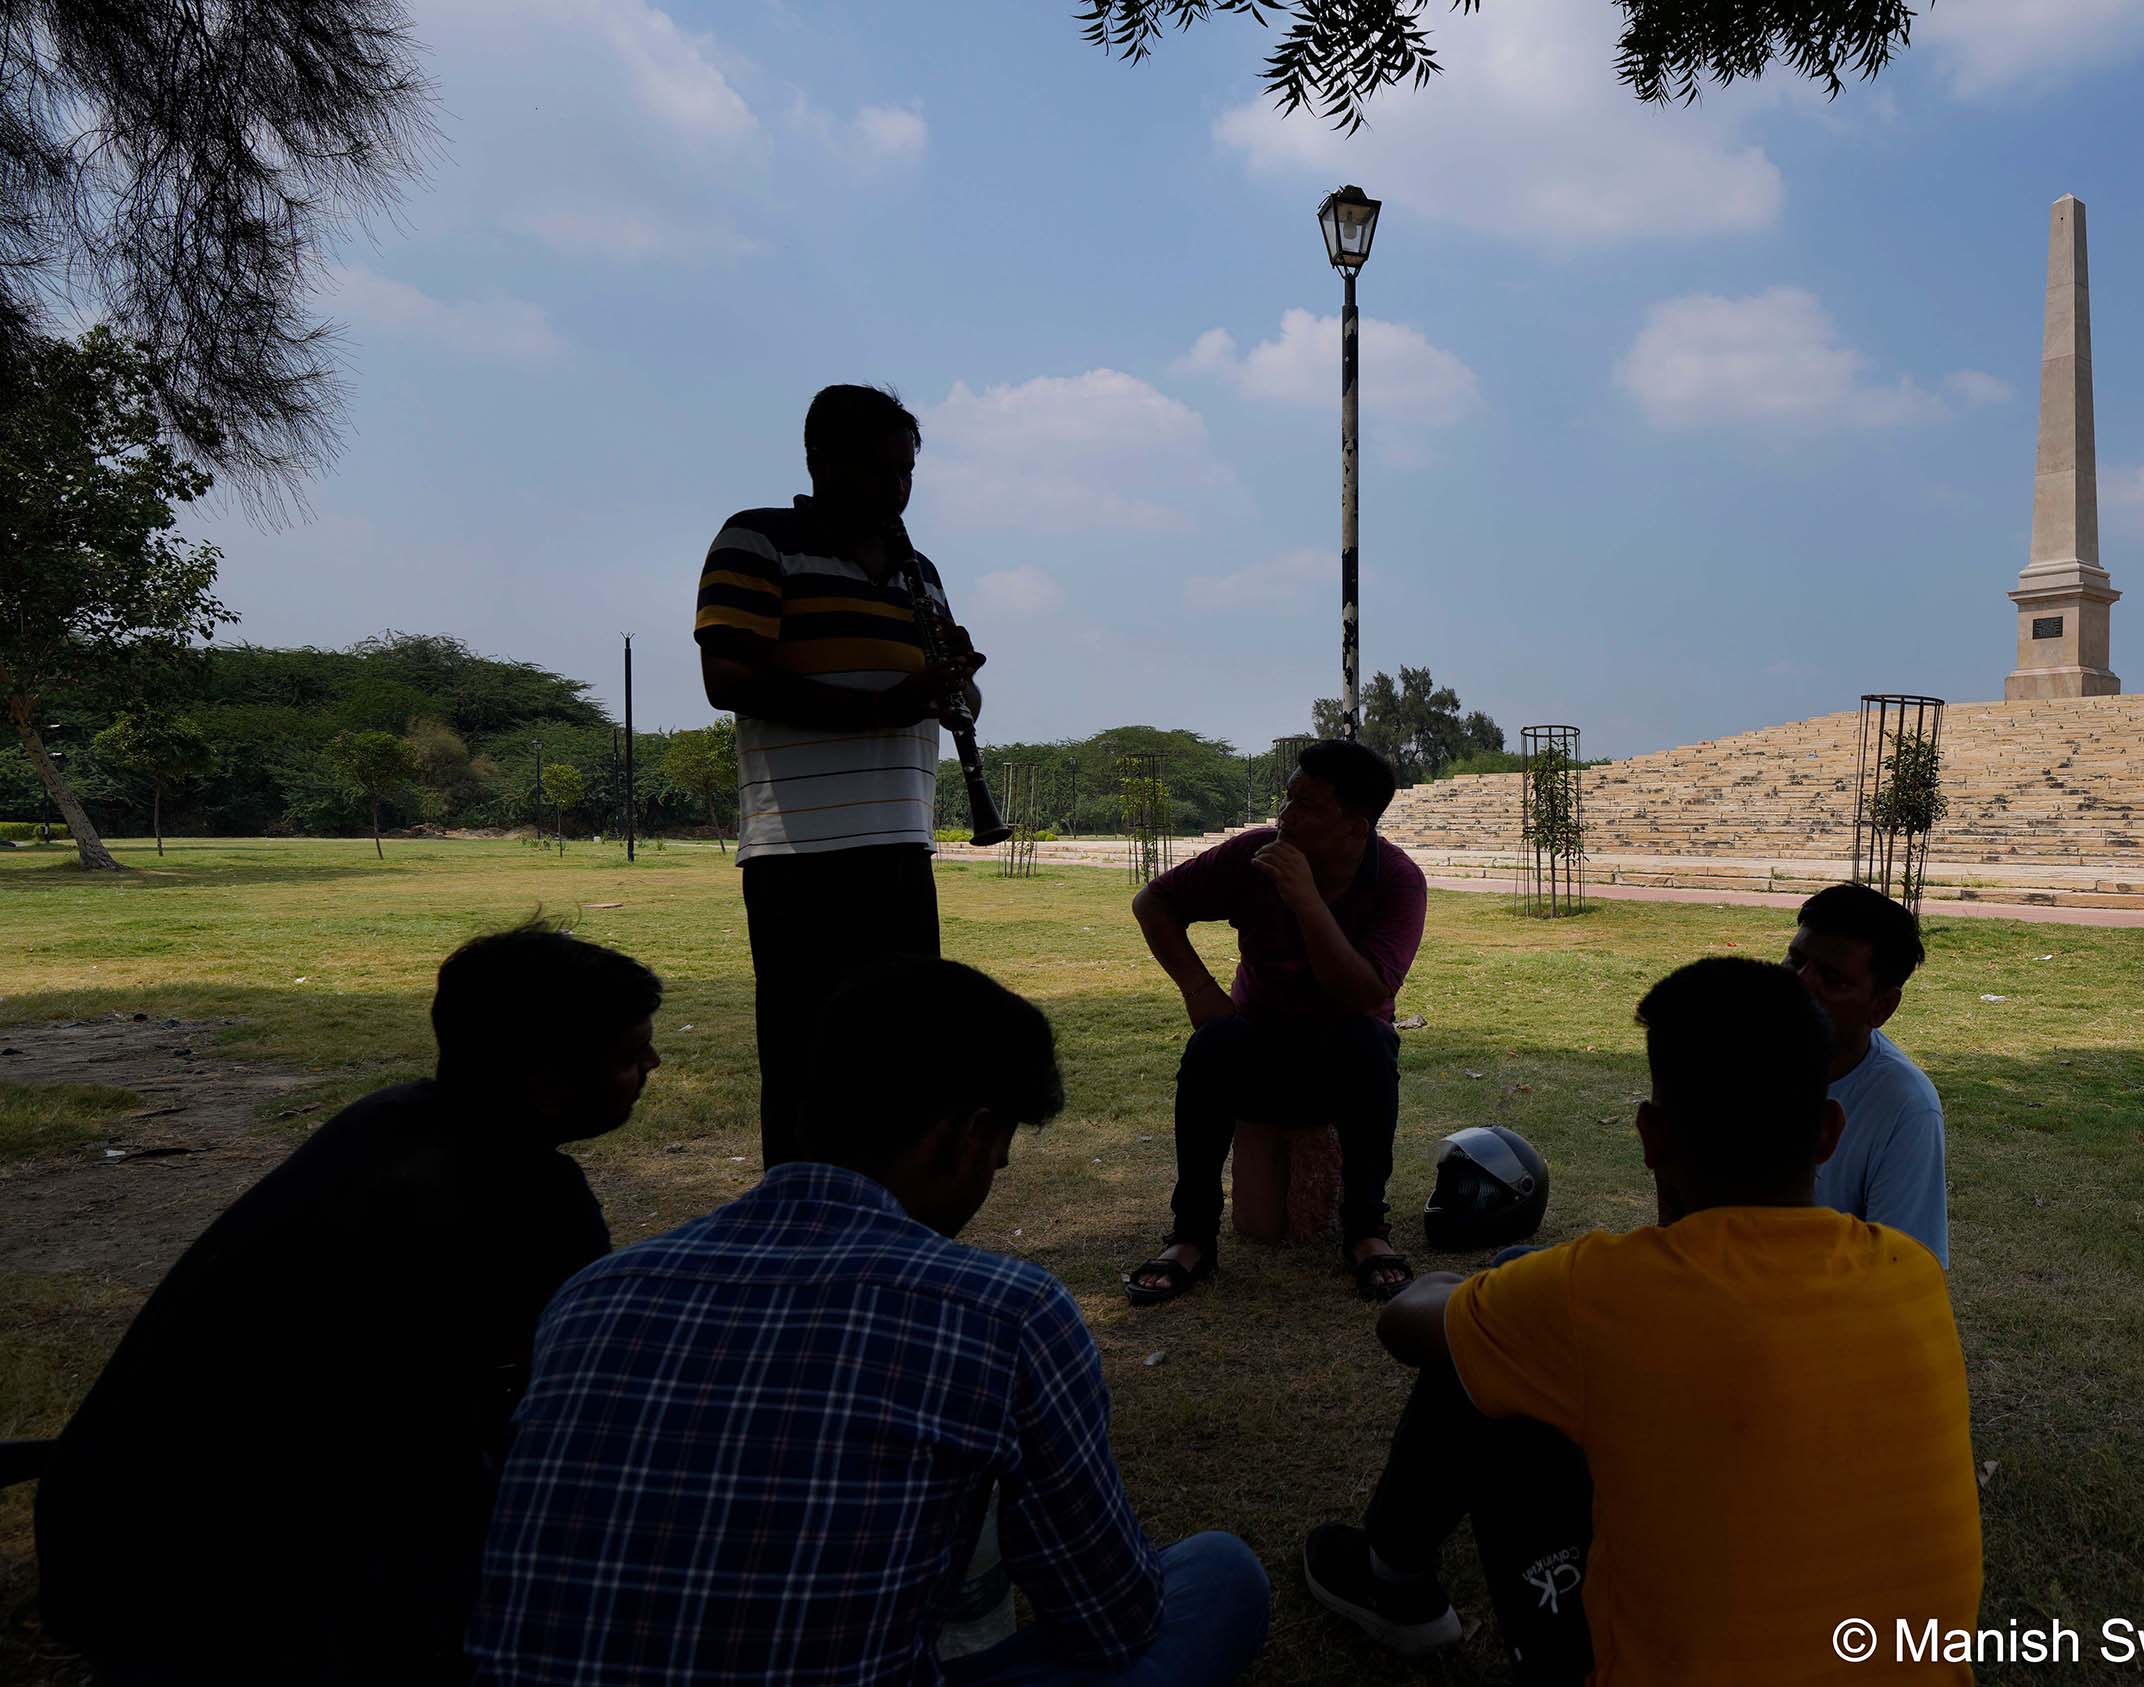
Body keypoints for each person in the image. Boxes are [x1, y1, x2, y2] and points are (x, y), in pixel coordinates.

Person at [471, 959, 1269, 1687]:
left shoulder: (593, 1294)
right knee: (1221, 1574)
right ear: (967, 1138)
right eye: (1000, 1156)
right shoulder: (1004, 1310)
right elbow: (1110, 1620)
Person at [1302, 957, 1983, 1685]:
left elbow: (1404, 1322)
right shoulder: (1911, 1273)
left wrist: (1498, 1284)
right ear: (1827, 1132)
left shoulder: (1602, 1289)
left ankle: (1394, 1580)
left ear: (1651, 1136)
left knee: (1492, 1367)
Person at [39, 922, 662, 1686]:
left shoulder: (387, 1119)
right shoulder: (526, 1196)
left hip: (105, 1531)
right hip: (244, 1599)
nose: (652, 1066)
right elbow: (571, 1415)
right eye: (632, 1055)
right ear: (547, 1081)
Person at [697, 381, 985, 1166]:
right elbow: (729, 678)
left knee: (900, 1061)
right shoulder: (757, 542)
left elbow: (959, 702)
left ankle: (884, 1222)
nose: (896, 489)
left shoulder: (919, 571)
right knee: (805, 1061)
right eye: (878, 470)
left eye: (906, 472)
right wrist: (884, 707)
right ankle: (798, 1236)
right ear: (820, 462)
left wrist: (956, 684)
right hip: (800, 858)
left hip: (901, 845)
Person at [1123, 738, 1426, 1304]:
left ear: (1356, 828)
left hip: (1342, 1069)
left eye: (1309, 806)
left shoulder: (1397, 881)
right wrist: (1199, 989)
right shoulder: (1254, 854)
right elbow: (1153, 903)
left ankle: (1366, 1230)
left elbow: (1367, 993)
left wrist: (1307, 902)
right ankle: (1191, 1236)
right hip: (1258, 1053)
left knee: (1370, 1042)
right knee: (1214, 1043)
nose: (1286, 817)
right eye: (1288, 799)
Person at [1786, 881, 1950, 1265]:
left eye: (1832, 979)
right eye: (1795, 961)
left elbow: (1903, 1273)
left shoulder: (1906, 1107)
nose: (1801, 984)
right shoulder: (1730, 1060)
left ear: (1882, 1007)